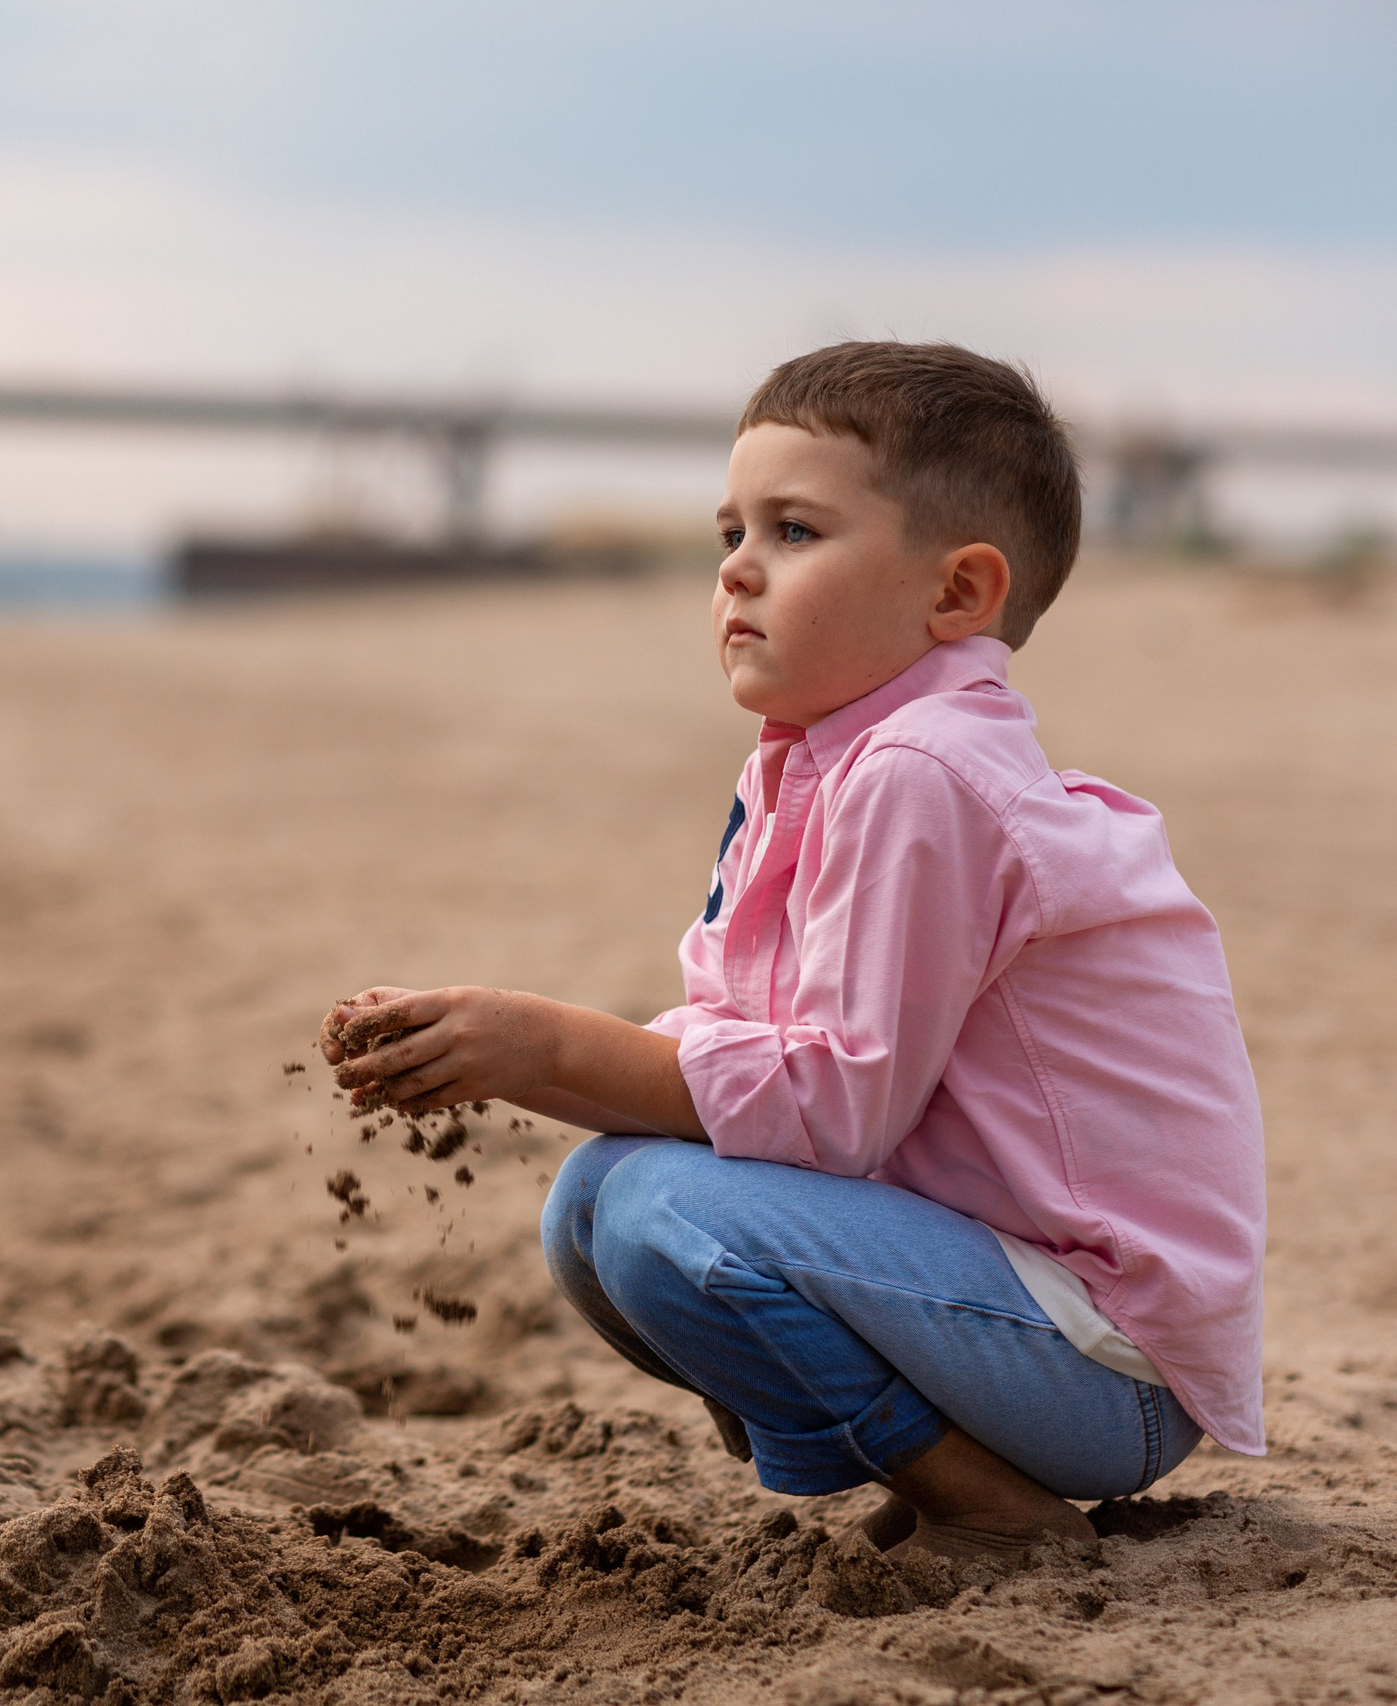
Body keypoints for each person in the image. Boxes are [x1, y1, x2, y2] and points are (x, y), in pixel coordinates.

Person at [318, 341, 1264, 1561]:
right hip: (1013, 1316)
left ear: (958, 595)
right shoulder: (820, 763)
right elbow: (736, 1053)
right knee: (591, 1201)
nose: (737, 575)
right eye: (729, 534)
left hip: (1109, 1368)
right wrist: (492, 1054)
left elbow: (828, 1112)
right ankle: (924, 1452)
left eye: (795, 533)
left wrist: (544, 1036)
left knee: (661, 1210)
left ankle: (985, 1499)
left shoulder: (927, 774)